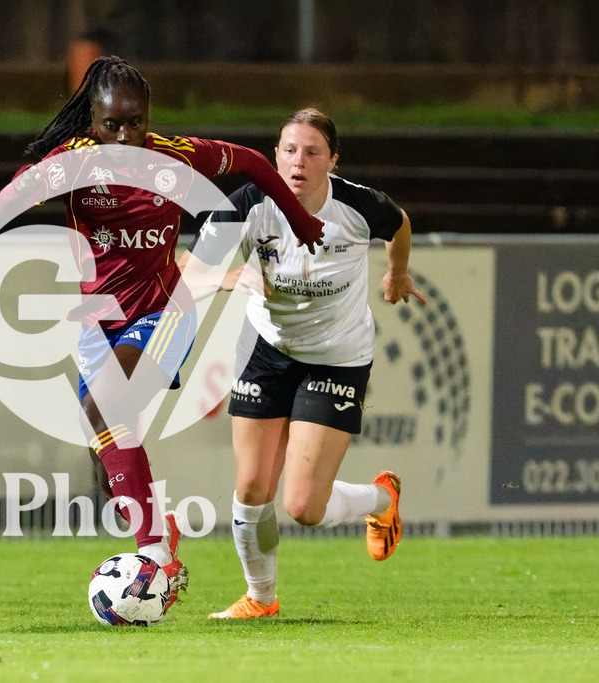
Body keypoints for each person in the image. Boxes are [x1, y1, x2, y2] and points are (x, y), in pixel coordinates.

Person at [0, 56, 324, 611]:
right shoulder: (76, 162)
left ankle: (158, 557)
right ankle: (157, 534)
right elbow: (16, 192)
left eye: (135, 122)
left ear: (148, 117)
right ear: (92, 121)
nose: (124, 135)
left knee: (107, 408)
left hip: (163, 313)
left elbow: (248, 161)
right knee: (109, 457)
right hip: (96, 322)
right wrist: (25, 195)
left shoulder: (174, 157)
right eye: (111, 125)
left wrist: (297, 217)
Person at [179, 107, 427, 619]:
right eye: (289, 150)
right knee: (251, 488)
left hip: (336, 359)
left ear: (332, 160)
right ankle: (260, 599)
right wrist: (229, 279)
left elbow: (398, 223)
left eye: (312, 151)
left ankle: (381, 500)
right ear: (274, 157)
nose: (299, 161)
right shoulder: (249, 204)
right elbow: (189, 272)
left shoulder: (357, 206)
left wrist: (396, 273)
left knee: (303, 508)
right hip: (268, 352)